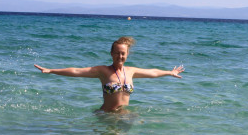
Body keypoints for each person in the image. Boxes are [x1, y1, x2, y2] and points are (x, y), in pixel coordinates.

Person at [34, 36, 184, 112]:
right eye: (117, 53)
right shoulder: (103, 71)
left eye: (123, 53)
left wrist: (169, 73)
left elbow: (152, 72)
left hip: (123, 115)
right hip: (106, 115)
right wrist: (51, 70)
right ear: (111, 54)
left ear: (127, 54)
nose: (120, 56)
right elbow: (77, 71)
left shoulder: (131, 71)